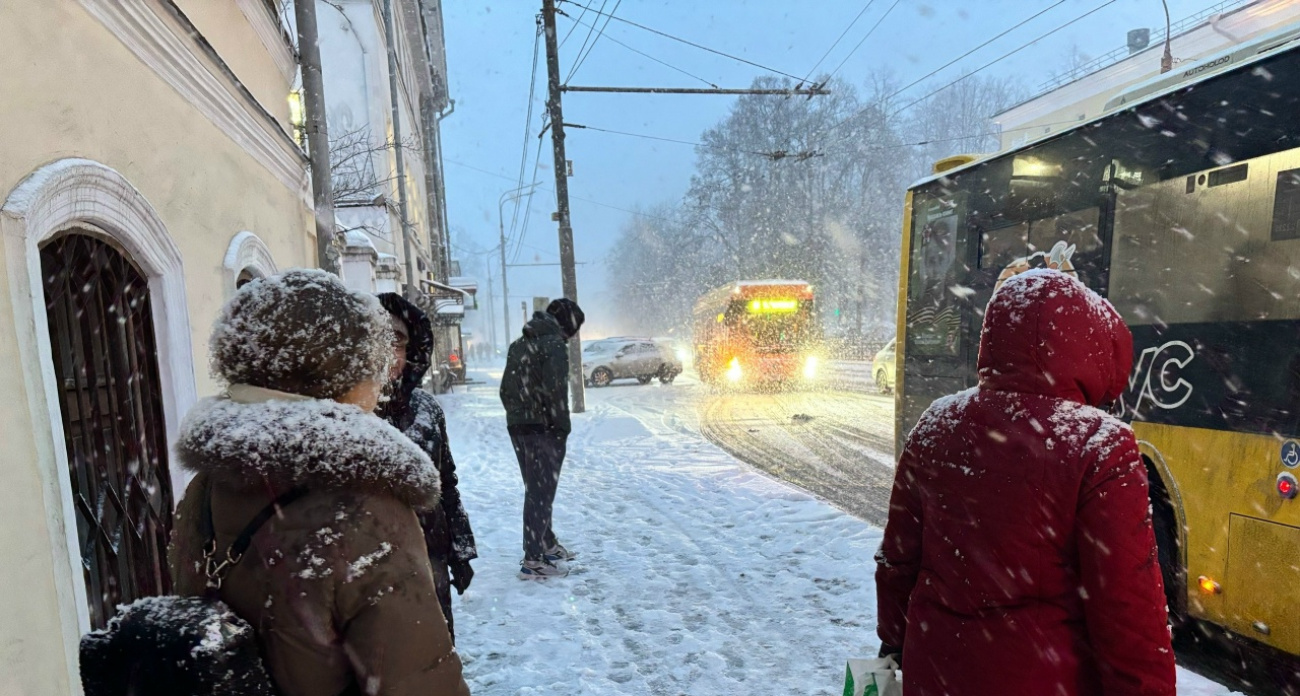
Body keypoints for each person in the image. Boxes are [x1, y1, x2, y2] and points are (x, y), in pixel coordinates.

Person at [169, 269, 471, 696]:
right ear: (342, 372)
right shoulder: (365, 510)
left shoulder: (208, 485)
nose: (383, 378)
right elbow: (417, 683)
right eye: (373, 361)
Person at [875, 269, 1175, 696]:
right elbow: (1128, 610)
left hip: (937, 673)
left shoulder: (936, 423)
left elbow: (898, 559)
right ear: (1090, 347)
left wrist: (895, 639)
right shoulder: (1099, 445)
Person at [377, 293, 477, 644]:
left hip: (429, 558)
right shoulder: (347, 417)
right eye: (376, 341)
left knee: (437, 649)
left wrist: (459, 548)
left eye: (397, 342)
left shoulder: (427, 410)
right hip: (374, 573)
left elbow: (446, 482)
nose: (387, 353)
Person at [499, 298, 585, 579]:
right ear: (568, 325)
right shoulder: (553, 345)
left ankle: (545, 543)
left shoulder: (519, 344)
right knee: (541, 492)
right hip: (544, 429)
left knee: (536, 488)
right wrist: (560, 429)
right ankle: (533, 559)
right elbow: (556, 392)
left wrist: (519, 414)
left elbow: (505, 390)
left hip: (519, 427)